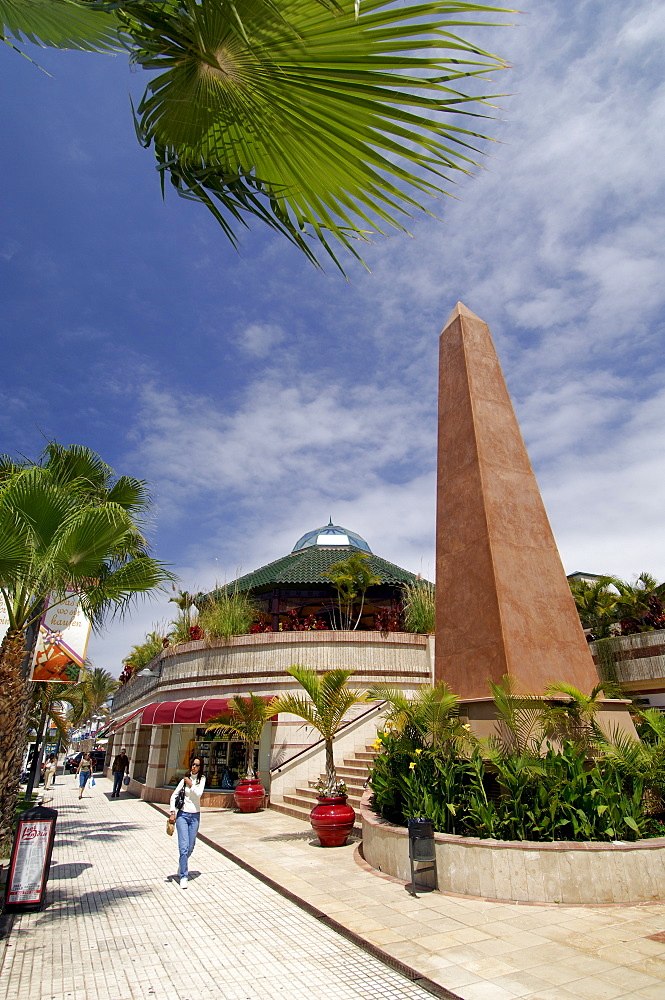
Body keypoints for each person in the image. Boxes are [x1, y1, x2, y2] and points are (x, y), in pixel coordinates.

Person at [169, 756, 205, 889]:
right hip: (182, 815)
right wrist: (173, 812)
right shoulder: (184, 780)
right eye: (193, 764)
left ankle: (181, 864)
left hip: (195, 815)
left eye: (197, 765)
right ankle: (183, 875)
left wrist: (191, 783)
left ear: (200, 767)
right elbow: (174, 796)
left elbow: (198, 794)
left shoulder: (202, 779)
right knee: (183, 847)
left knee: (190, 846)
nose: (194, 767)